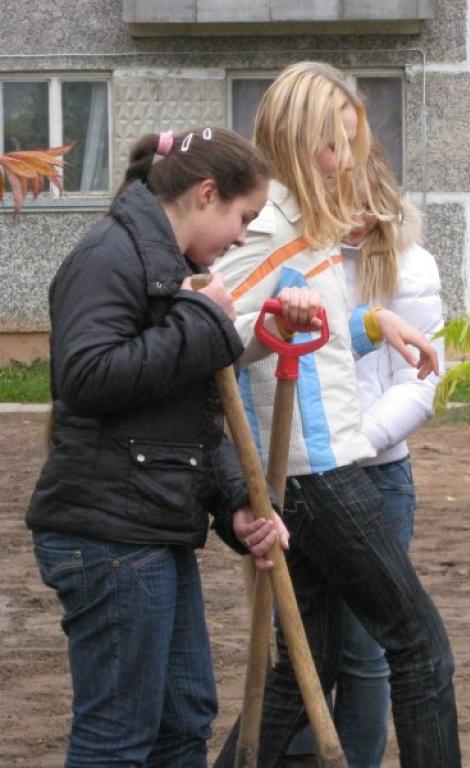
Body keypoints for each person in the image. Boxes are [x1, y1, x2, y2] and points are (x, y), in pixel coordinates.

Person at [210, 61, 460, 768]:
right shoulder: (264, 229)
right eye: (331, 145)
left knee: (304, 666)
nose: (346, 162)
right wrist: (263, 323)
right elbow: (210, 332)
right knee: (419, 645)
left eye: (352, 143)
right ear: (291, 141)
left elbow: (306, 338)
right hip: (314, 471)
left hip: (318, 461)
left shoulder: (306, 226)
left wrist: (374, 323)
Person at [26, 127, 289, 766]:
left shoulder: (175, 268)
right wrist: (204, 323)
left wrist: (234, 502)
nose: (243, 236)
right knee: (117, 737)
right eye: (243, 216)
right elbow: (85, 378)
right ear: (205, 194)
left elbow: (190, 417)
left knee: (183, 720)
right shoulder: (109, 257)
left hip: (149, 525)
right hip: (106, 535)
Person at [286, 141, 445, 767]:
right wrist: (315, 450)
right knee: (299, 647)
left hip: (376, 477)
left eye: (366, 205)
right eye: (340, 203)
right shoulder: (297, 259)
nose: (356, 219)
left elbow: (420, 381)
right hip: (301, 478)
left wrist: (351, 443)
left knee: (367, 648)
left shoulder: (411, 266)